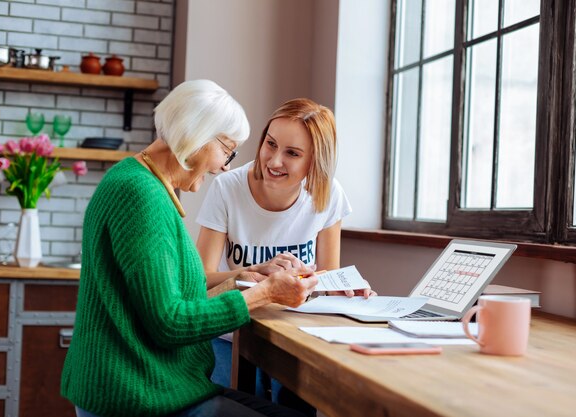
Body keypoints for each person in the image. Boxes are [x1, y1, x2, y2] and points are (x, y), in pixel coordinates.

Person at [60, 80, 319, 417]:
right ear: (197, 137)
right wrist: (265, 294)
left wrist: (247, 275)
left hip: (151, 386)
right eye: (226, 150)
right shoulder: (140, 196)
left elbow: (172, 299)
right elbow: (170, 322)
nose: (226, 165)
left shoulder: (139, 182)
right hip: (136, 395)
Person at [196, 98, 376, 413]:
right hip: (231, 332)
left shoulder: (328, 194)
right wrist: (254, 271)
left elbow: (325, 279)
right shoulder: (228, 188)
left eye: (292, 153)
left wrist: (348, 289)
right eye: (270, 144)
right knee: (233, 405)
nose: (274, 161)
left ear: (315, 161)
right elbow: (199, 280)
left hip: (293, 331)